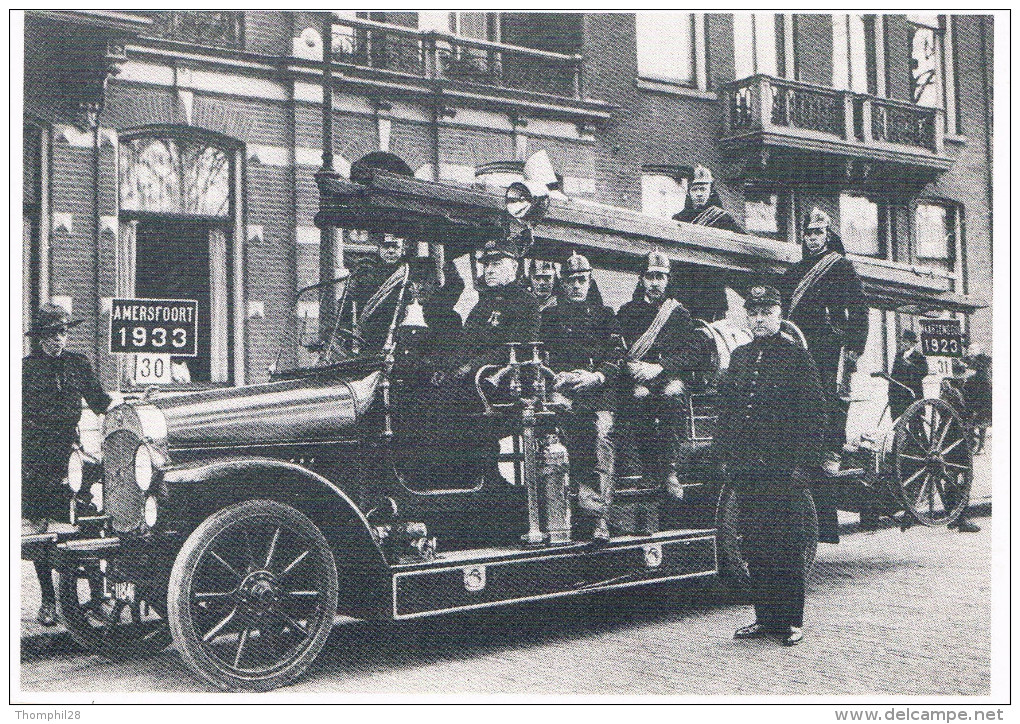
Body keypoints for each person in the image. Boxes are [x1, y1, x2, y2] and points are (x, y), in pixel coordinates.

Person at [715, 286, 828, 647]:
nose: (760, 318)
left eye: (767, 311)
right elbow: (729, 410)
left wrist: (803, 466)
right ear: (747, 317)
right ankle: (765, 617)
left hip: (783, 469)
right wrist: (725, 456)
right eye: (754, 312)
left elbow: (814, 416)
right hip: (747, 469)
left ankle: (792, 620)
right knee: (756, 543)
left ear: (779, 315)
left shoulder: (797, 358)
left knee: (787, 543)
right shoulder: (741, 356)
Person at [778, 207, 868, 544]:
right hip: (799, 344)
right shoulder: (795, 271)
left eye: (818, 233)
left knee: (832, 397)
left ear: (827, 235)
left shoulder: (841, 266)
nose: (813, 238)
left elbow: (859, 307)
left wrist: (855, 346)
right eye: (808, 234)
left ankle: (832, 450)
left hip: (831, 344)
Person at [23, 303, 112, 626]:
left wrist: (135, 404)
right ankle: (48, 601)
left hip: (72, 456)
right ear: (40, 338)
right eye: (50, 334)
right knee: (41, 532)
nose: (57, 340)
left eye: (61, 333)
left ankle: (96, 597)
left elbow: (100, 403)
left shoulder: (78, 364)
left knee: (87, 523)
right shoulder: (24, 369)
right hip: (34, 459)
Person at [540, 252, 622, 542]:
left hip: (599, 391)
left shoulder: (605, 315)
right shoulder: (549, 316)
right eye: (571, 281)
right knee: (557, 431)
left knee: (602, 436)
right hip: (565, 389)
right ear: (562, 283)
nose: (577, 286)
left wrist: (596, 376)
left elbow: (616, 357)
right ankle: (563, 513)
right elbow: (541, 357)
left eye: (582, 280)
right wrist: (557, 377)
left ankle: (600, 518)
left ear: (590, 281)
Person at [616, 251, 709, 501]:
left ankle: (670, 469)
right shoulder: (626, 312)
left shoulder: (678, 313)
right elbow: (617, 350)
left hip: (668, 375)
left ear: (668, 280)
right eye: (650, 277)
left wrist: (661, 367)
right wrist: (631, 368)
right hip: (638, 376)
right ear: (641, 279)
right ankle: (646, 468)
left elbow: (692, 353)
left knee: (673, 393)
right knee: (639, 396)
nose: (655, 282)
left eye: (661, 277)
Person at [671, 165, 743, 322]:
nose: (699, 194)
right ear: (689, 192)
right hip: (685, 290)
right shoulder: (678, 220)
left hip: (712, 293)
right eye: (695, 189)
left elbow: (742, 244)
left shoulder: (723, 219)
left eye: (703, 189)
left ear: (711, 191)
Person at [888, 329, 928, 421]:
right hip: (898, 395)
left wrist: (910, 366)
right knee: (899, 422)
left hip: (913, 393)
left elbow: (924, 372)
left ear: (912, 343)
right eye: (903, 341)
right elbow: (894, 375)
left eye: (905, 341)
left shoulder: (919, 357)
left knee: (915, 423)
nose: (903, 344)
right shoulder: (899, 355)